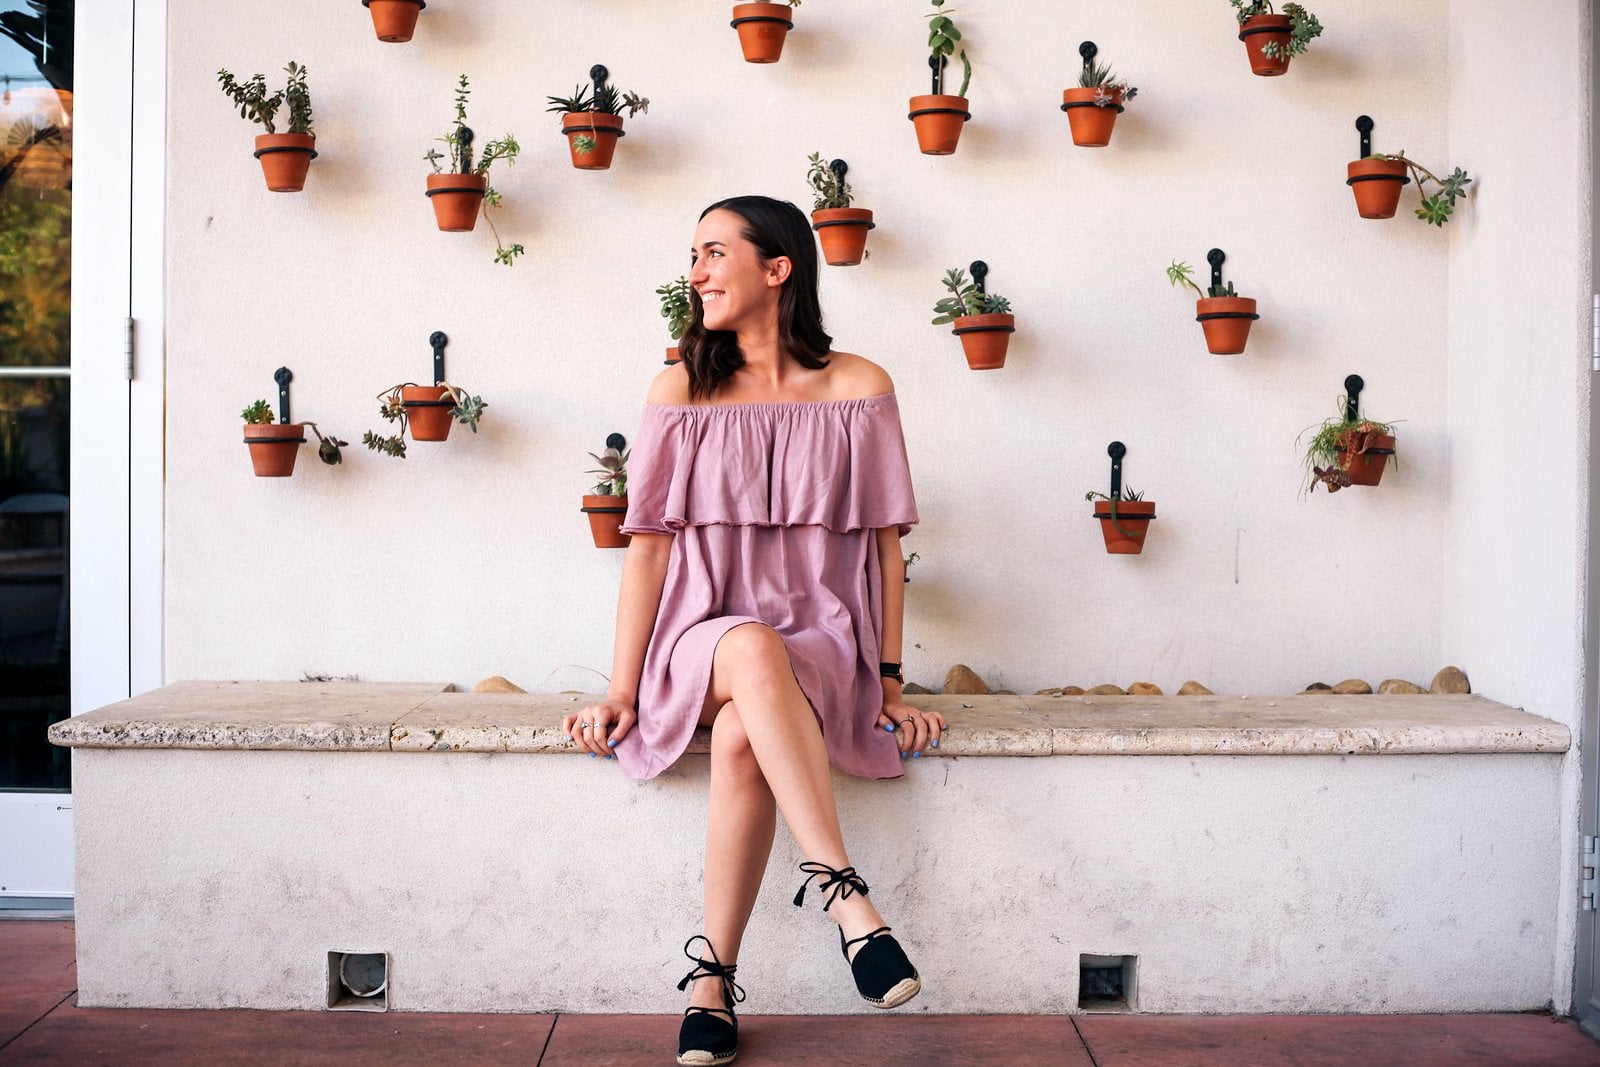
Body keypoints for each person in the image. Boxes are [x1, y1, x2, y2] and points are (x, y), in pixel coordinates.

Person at [566, 195, 946, 1066]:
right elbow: (650, 555)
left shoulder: (860, 388)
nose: (694, 272)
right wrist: (622, 689)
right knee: (744, 650)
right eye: (690, 255)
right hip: (702, 639)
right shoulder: (679, 391)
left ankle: (712, 981)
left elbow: (883, 551)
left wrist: (889, 681)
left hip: (818, 643)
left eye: (711, 253)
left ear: (778, 270)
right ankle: (850, 902)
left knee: (744, 733)